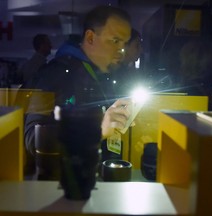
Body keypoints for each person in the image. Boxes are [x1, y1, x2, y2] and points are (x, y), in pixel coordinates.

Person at [24, 5, 133, 179]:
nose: (122, 52)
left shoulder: (102, 75)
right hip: (58, 190)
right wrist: (97, 130)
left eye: (125, 43)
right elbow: (32, 140)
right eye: (115, 41)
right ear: (90, 37)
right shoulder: (54, 74)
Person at [111, 28, 143, 97]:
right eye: (137, 46)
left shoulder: (127, 71)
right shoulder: (112, 73)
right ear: (124, 46)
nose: (141, 50)